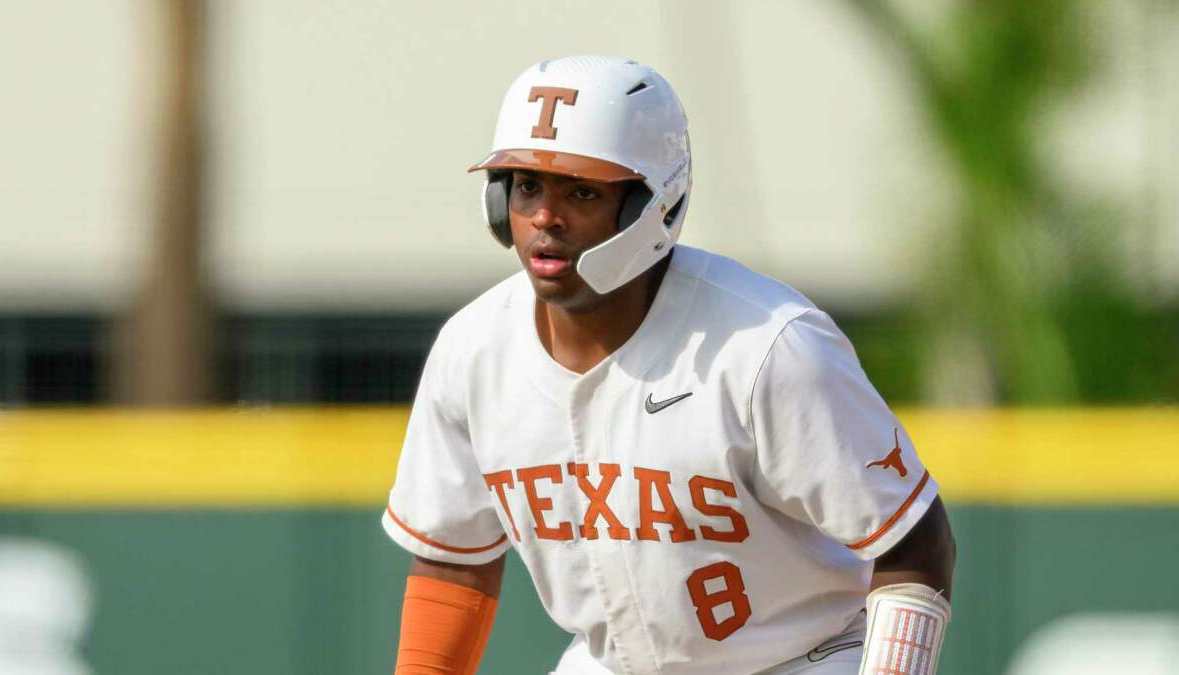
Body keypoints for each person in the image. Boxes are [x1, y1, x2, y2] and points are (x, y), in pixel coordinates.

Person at [383, 55, 956, 675]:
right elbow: (455, 561)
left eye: (581, 190)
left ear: (652, 205)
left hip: (801, 658)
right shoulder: (471, 352)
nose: (545, 217)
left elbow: (916, 542)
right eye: (526, 187)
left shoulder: (767, 344)